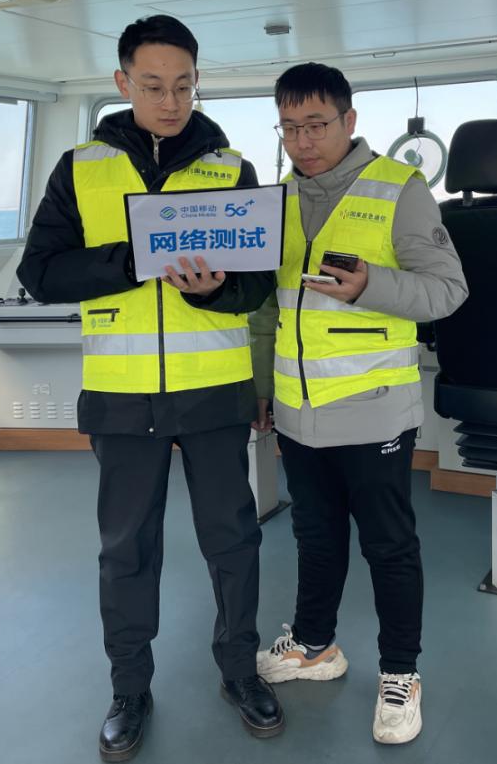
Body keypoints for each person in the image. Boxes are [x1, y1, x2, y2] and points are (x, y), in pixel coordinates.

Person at [16, 14, 282, 762]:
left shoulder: (231, 170)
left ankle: (240, 671)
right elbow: (40, 273)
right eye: (154, 86)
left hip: (214, 392)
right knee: (125, 550)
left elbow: (258, 285)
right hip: (121, 396)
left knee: (233, 541)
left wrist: (213, 291)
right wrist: (131, 259)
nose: (171, 101)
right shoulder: (80, 169)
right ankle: (129, 688)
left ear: (198, 83)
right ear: (123, 82)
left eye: (184, 86)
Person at [185, 62, 467, 744]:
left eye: (316, 125)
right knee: (314, 535)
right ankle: (315, 645)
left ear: (349, 121)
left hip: (374, 406)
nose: (302, 142)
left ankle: (400, 672)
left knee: (388, 545)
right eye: (288, 127)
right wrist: (261, 386)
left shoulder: (399, 189)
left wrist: (372, 286)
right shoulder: (273, 201)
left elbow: (447, 290)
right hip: (296, 409)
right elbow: (265, 307)